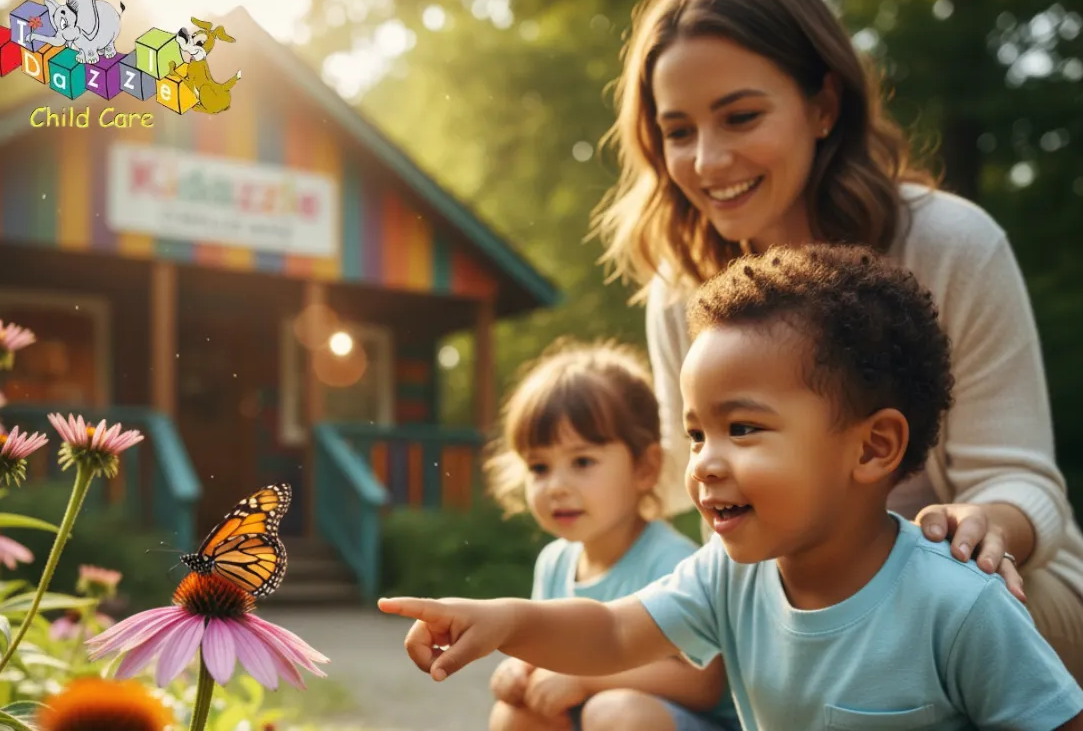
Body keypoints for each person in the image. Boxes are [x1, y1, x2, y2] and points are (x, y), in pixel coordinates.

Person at [589, 0, 1083, 677]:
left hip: (999, 588)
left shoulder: (951, 245)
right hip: (798, 605)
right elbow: (710, 501)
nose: (707, 159)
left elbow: (1023, 484)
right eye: (677, 131)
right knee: (583, 699)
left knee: (913, 607)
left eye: (740, 116)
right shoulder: (681, 294)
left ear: (822, 105)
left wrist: (980, 531)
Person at [381, 246, 1083, 731]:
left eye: (742, 429)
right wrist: (506, 620)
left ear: (872, 447)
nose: (706, 464)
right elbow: (611, 630)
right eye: (695, 434)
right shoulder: (727, 577)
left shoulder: (957, 602)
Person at [482, 339, 738, 730]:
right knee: (515, 715)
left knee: (615, 712)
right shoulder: (555, 563)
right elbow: (544, 649)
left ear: (645, 468)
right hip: (598, 715)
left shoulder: (669, 561)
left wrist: (587, 680)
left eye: (582, 461)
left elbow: (703, 684)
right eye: (538, 467)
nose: (555, 487)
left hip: (673, 721)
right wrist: (520, 669)